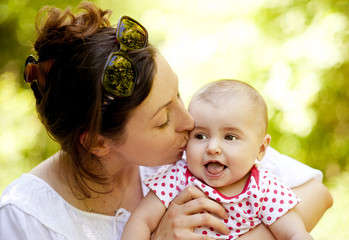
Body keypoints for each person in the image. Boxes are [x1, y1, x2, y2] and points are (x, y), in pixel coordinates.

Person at [0, 2, 332, 240]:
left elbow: (318, 194)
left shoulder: (202, 152)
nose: (189, 121)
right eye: (163, 119)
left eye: (178, 95)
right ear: (98, 142)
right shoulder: (23, 220)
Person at [121, 80, 314, 240]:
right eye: (200, 136)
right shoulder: (178, 177)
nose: (212, 148)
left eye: (230, 137)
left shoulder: (263, 186)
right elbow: (141, 220)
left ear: (261, 148)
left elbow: (295, 233)